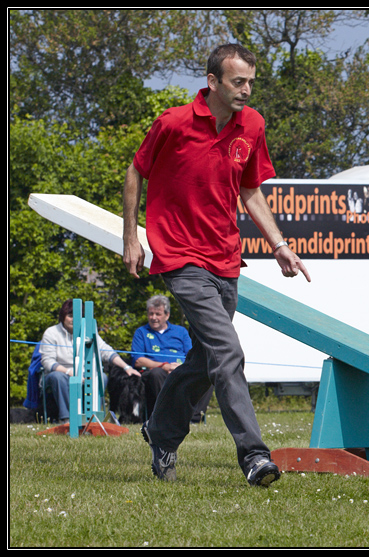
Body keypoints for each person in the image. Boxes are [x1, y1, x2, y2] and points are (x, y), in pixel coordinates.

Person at [122, 44, 310, 487]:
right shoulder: (174, 123)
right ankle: (254, 455)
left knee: (207, 357)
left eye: (250, 82)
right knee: (229, 352)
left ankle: (161, 433)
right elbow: (136, 171)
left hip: (225, 256)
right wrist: (132, 235)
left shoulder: (253, 125)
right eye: (238, 82)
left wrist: (279, 244)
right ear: (213, 83)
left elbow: (250, 191)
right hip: (180, 254)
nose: (246, 90)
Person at [39, 299, 137, 423]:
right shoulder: (51, 333)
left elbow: (105, 350)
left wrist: (126, 367)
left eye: (78, 316)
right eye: (70, 316)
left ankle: (93, 417)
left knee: (101, 377)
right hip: (59, 373)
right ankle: (67, 418)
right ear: (62, 317)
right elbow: (48, 362)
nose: (74, 319)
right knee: (58, 377)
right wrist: (70, 372)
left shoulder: (88, 331)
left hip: (85, 373)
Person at [130, 295, 210, 421]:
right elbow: (138, 360)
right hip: (154, 372)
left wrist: (180, 367)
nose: (153, 318)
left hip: (181, 369)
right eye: (151, 314)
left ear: (167, 315)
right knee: (156, 374)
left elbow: (192, 354)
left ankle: (193, 418)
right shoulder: (141, 332)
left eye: (158, 314)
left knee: (206, 373)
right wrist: (164, 366)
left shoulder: (181, 331)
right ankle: (167, 416)